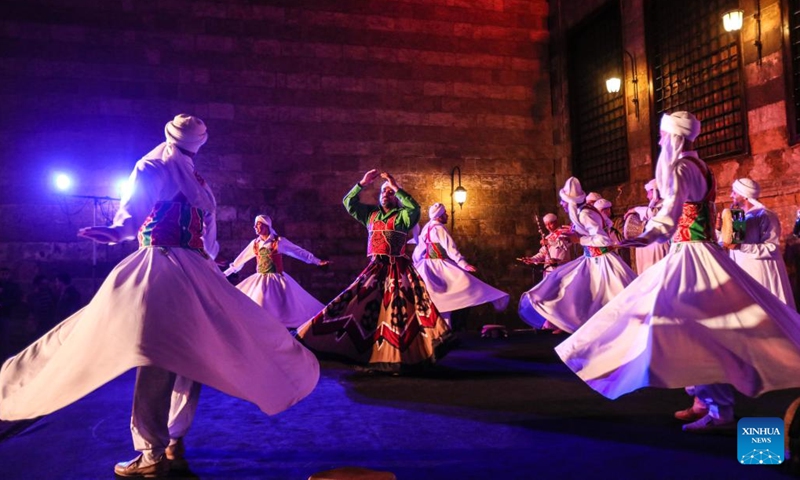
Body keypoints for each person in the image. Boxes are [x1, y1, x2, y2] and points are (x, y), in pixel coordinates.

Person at [0, 114, 319, 476]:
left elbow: (134, 211)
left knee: (155, 354)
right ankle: (173, 438)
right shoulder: (201, 185)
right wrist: (205, 267)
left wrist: (119, 230)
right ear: (199, 143)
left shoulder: (152, 165)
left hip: (160, 267)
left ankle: (151, 451)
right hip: (197, 270)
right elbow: (210, 244)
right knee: (189, 355)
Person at [555, 111, 800, 432]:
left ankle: (719, 410)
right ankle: (705, 399)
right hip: (696, 253)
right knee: (689, 327)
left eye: (662, 135)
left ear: (675, 136)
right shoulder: (700, 166)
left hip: (692, 255)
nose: (659, 140)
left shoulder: (682, 167)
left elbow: (671, 214)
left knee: (692, 327)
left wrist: (643, 237)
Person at [296, 170, 452, 372]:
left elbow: (414, 208)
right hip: (375, 269)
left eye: (389, 193)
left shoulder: (401, 216)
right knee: (359, 306)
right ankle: (364, 353)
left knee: (397, 314)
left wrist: (395, 186)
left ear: (395, 197)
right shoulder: (371, 215)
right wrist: (362, 183)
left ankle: (397, 357)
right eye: (383, 192)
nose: (386, 194)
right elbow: (348, 203)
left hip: (397, 270)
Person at [518, 177, 636, 333]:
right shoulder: (583, 212)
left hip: (601, 261)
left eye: (563, 201)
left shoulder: (585, 214)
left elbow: (603, 239)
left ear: (571, 202)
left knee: (613, 295)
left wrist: (578, 239)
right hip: (591, 260)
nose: (561, 204)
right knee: (576, 290)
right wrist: (573, 235)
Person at [223, 214, 330, 329]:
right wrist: (225, 274)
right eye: (255, 225)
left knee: (283, 309)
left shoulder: (279, 241)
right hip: (260, 280)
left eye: (258, 225)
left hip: (277, 280)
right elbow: (240, 260)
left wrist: (317, 261)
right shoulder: (255, 244)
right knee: (256, 304)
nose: (255, 227)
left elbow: (298, 252)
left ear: (266, 226)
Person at [412, 203, 509, 328]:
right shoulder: (439, 228)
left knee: (437, 300)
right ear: (439, 216)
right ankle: (446, 329)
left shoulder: (427, 228)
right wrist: (463, 264)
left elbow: (419, 250)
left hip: (427, 267)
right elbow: (450, 248)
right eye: (445, 213)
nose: (447, 215)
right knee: (464, 284)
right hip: (439, 266)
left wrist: (416, 263)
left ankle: (439, 329)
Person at [724, 178, 795, 308]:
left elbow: (771, 247)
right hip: (742, 270)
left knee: (766, 309)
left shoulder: (766, 215)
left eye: (734, 192)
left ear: (744, 195)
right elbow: (732, 242)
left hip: (760, 271)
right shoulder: (739, 216)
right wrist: (721, 230)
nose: (730, 195)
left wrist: (741, 246)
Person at [626, 179, 670, 274]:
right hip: (650, 245)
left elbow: (653, 213)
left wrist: (636, 209)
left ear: (654, 191)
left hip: (658, 244)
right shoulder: (655, 204)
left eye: (648, 193)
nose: (647, 196)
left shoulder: (665, 203)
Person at [519, 213, 571, 279]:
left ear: (556, 222)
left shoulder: (565, 232)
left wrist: (549, 242)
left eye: (550, 224)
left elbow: (565, 244)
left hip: (562, 269)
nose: (548, 227)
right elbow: (543, 253)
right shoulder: (548, 237)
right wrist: (532, 259)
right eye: (546, 225)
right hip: (549, 271)